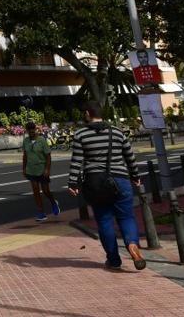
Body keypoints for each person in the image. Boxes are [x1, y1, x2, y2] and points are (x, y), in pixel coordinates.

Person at [67, 102, 146, 271]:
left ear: (88, 113)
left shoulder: (81, 135)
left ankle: (114, 260)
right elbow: (130, 157)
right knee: (126, 217)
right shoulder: (117, 132)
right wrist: (135, 176)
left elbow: (77, 161)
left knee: (104, 221)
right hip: (121, 180)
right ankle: (132, 245)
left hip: (95, 182)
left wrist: (73, 183)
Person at [21, 121, 60, 221]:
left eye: (32, 130)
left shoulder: (42, 140)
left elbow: (48, 156)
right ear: (27, 131)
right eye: (29, 131)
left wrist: (47, 169)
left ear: (35, 129)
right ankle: (41, 213)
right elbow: (25, 156)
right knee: (36, 191)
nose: (31, 133)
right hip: (31, 170)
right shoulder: (26, 141)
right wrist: (24, 168)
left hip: (42, 169)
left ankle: (53, 202)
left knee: (46, 191)